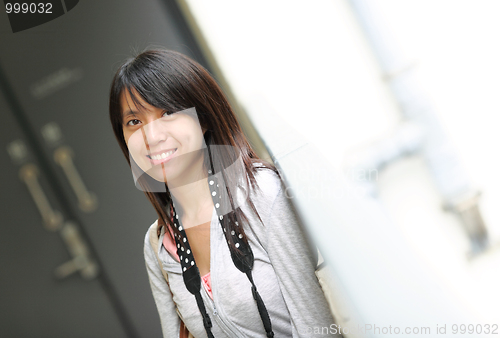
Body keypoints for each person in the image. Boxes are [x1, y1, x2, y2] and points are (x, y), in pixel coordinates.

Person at [108, 49, 338, 337]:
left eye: (167, 112)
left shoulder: (261, 194)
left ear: (202, 120)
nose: (152, 136)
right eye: (134, 122)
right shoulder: (157, 243)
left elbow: (318, 329)